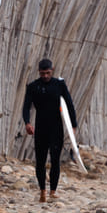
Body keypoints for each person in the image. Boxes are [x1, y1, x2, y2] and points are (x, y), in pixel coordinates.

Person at [22, 58, 78, 203]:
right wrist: (27, 123)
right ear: (39, 72)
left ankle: (53, 191)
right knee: (40, 162)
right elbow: (26, 106)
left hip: (56, 128)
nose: (45, 76)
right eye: (42, 73)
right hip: (40, 129)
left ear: (52, 70)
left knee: (55, 160)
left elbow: (69, 104)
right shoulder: (33, 86)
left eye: (47, 73)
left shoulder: (59, 84)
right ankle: (42, 191)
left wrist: (73, 125)